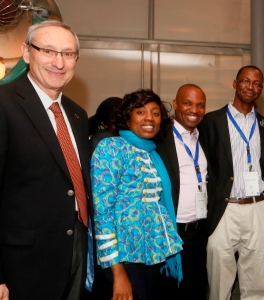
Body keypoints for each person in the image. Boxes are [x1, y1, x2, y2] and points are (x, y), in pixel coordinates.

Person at [0, 20, 91, 300]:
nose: (59, 62)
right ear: (27, 53)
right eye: (48, 51)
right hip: (21, 261)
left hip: (75, 248)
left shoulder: (77, 114)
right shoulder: (4, 105)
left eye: (68, 54)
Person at [91, 89, 183, 300]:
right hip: (123, 260)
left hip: (154, 255)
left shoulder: (151, 152)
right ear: (128, 117)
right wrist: (118, 272)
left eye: (156, 113)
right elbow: (102, 215)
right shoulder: (111, 148)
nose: (150, 117)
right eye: (141, 112)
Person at [202, 65, 264, 300]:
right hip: (225, 207)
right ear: (234, 83)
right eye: (245, 81)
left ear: (261, 89)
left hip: (256, 207)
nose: (250, 87)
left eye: (257, 84)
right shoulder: (211, 121)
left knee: (255, 280)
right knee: (219, 278)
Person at [155, 84, 209, 299]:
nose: (193, 110)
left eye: (200, 105)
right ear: (175, 104)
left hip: (200, 231)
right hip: (170, 230)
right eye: (187, 103)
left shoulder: (204, 136)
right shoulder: (160, 137)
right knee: (169, 292)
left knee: (196, 290)